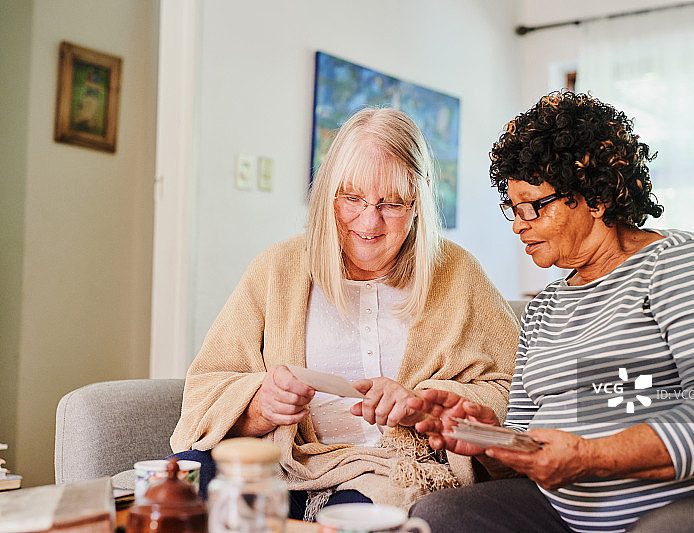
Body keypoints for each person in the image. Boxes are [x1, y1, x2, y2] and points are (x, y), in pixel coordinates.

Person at [407, 91, 694, 532]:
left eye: (533, 206)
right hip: (572, 516)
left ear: (597, 197)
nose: (518, 224)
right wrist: (486, 437)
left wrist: (588, 457)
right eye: (511, 208)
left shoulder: (683, 263)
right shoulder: (543, 311)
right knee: (441, 516)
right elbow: (522, 461)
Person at [169, 107, 519, 521]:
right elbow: (204, 390)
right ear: (328, 193)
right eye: (352, 198)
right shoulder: (277, 268)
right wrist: (259, 405)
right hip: (283, 465)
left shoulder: (457, 273)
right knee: (184, 481)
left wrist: (423, 404)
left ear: (418, 203)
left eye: (391, 204)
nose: (369, 221)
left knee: (367, 516)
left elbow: (517, 394)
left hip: (393, 472)